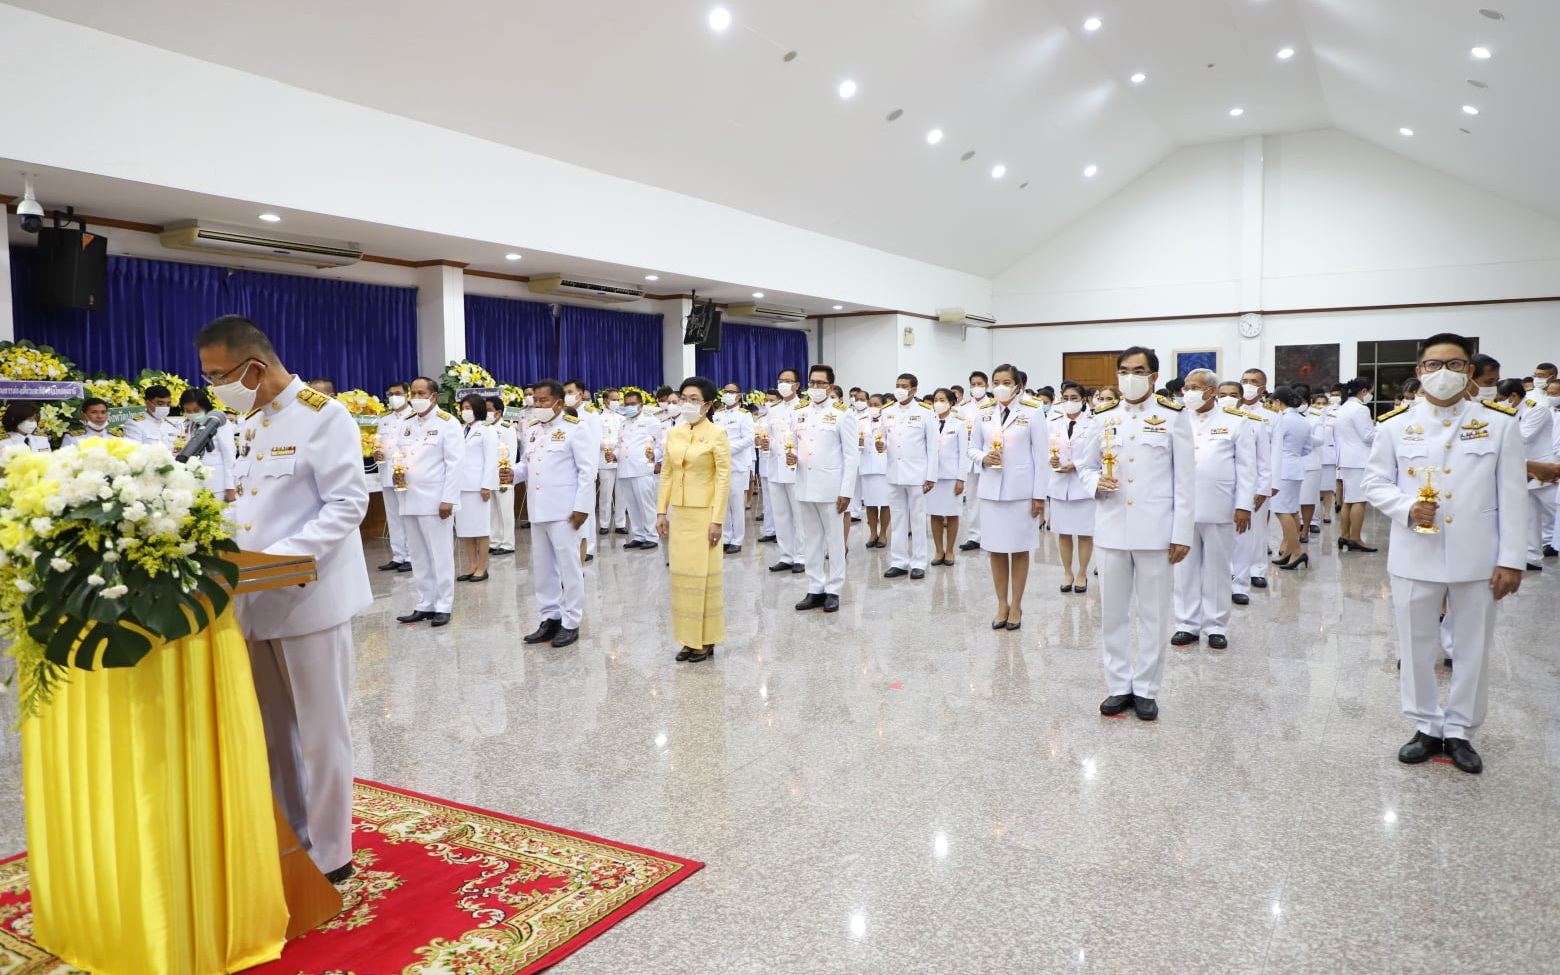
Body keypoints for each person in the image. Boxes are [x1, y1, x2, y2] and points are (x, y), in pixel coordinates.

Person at [194, 314, 370, 883]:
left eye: (218, 374)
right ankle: (291, 835)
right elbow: (250, 506)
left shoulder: (326, 417)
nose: (213, 385)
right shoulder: (249, 422)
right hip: (253, 599)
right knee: (273, 731)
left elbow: (347, 505)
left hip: (307, 598)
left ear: (254, 366)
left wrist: (280, 561)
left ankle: (332, 851)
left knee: (321, 731)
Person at [1363, 332, 1525, 774]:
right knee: (1415, 643)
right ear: (1419, 372)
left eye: (1454, 365)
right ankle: (1425, 725)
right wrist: (1406, 507)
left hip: (1478, 554)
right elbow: (1374, 483)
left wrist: (1511, 558)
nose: (1443, 373)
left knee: (1472, 645)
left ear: (1470, 372)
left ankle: (1460, 731)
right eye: (1433, 365)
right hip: (1416, 549)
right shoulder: (1395, 424)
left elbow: (1512, 496)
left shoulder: (1499, 422)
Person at [1078, 347, 1193, 722]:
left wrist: (1181, 532)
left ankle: (1145, 688)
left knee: (1153, 613)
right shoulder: (1103, 417)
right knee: (1112, 613)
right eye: (1124, 371)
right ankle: (1118, 685)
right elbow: (1084, 463)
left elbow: (1185, 482)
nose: (1130, 377)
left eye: (1139, 370)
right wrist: (1095, 480)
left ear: (1154, 376)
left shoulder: (1173, 417)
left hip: (1156, 530)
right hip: (1111, 526)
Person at [1171, 370, 1255, 650]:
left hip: (1220, 506)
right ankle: (1186, 623)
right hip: (1182, 507)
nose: (1188, 392)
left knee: (1218, 569)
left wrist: (1244, 505)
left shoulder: (1235, 422)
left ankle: (1216, 625)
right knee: (1184, 569)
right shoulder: (1177, 418)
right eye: (1186, 387)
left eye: (1194, 387)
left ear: (1211, 391)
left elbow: (1246, 469)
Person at [510, 379, 597, 648]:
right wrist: (510, 473)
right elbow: (528, 465)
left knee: (569, 569)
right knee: (544, 569)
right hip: (538, 510)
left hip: (565, 511)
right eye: (535, 400)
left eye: (543, 400)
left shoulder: (576, 429)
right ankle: (550, 617)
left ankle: (571, 622)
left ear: (559, 403)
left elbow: (587, 471)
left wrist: (582, 508)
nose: (537, 405)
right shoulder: (533, 430)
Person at [967, 364, 1048, 630]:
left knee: (1020, 549)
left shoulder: (1032, 411)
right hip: (991, 490)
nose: (1000, 386)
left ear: (1017, 385)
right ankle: (1001, 603)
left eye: (1006, 381)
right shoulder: (984, 413)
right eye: (996, 381)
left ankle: (1016, 604)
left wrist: (1039, 496)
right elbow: (972, 448)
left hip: (1021, 491)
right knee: (996, 550)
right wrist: (983, 458)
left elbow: (1040, 455)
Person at [656, 377, 731, 662]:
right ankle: (687, 639)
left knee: (703, 577)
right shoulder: (675, 433)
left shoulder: (716, 434)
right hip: (681, 512)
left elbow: (723, 479)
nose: (687, 403)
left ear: (708, 404)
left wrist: (717, 519)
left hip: (704, 514)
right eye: (684, 397)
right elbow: (667, 473)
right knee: (681, 578)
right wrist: (661, 511)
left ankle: (706, 640)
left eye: (694, 399)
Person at [394, 377, 463, 627]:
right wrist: (397, 472)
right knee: (419, 554)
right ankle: (425, 603)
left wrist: (449, 499)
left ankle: (444, 605)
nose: (416, 397)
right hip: (409, 496)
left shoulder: (448, 423)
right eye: (413, 393)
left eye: (421, 393)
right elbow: (399, 455)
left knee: (440, 554)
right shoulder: (406, 423)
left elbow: (455, 465)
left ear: (433, 396)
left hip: (436, 501)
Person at [792, 363, 860, 613]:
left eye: (821, 383)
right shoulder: (799, 412)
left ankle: (834, 589)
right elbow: (795, 446)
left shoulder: (843, 414)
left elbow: (851, 456)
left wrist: (846, 492)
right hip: (805, 484)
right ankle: (815, 587)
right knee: (810, 539)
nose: (816, 388)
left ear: (830, 386)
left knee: (834, 540)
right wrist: (792, 459)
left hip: (832, 487)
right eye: (812, 383)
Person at [881, 373, 938, 580]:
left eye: (904, 386)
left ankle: (918, 562)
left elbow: (932, 446)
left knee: (917, 519)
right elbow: (884, 439)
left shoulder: (924, 411)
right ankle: (899, 561)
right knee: (897, 520)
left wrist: (930, 475)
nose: (900, 389)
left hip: (917, 474)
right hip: (894, 473)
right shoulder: (887, 411)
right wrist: (882, 445)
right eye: (897, 385)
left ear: (914, 390)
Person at [1047, 381, 1097, 593]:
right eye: (1065, 398)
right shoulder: (1053, 422)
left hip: (1082, 485)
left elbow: (1096, 454)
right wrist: (1052, 460)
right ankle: (1067, 572)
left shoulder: (1093, 423)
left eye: (1074, 398)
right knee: (1064, 532)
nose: (1069, 402)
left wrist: (1075, 465)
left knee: (1085, 533)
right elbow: (1045, 449)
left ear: (1083, 400)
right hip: (1059, 484)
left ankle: (1082, 573)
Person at [758, 368, 806, 574]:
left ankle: (802, 556)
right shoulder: (774, 409)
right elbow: (766, 433)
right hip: (775, 468)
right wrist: (762, 441)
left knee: (800, 515)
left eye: (788, 381)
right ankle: (786, 556)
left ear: (797, 385)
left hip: (796, 469)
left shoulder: (804, 408)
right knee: (781, 514)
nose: (783, 384)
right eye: (780, 380)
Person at [1269, 385, 1316, 570]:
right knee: (1292, 510)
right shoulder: (1303, 420)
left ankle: (1296, 551)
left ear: (1278, 402)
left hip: (1282, 468)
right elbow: (1307, 448)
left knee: (1282, 511)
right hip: (1296, 466)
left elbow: (1273, 444)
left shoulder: (1282, 419)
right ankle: (1289, 550)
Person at [454, 393, 498, 582]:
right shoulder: (461, 429)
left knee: (480, 529)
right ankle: (471, 565)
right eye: (463, 408)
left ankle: (482, 566)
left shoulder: (487, 430)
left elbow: (490, 459)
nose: (465, 412)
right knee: (465, 530)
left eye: (469, 408)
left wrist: (486, 485)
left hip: (478, 487)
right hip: (461, 486)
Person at [373, 382, 415, 572]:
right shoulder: (384, 419)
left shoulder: (414, 417)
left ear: (407, 395)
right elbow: (379, 443)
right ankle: (398, 555)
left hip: (406, 473)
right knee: (393, 516)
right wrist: (376, 453)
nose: (393, 397)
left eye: (397, 393)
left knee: (407, 515)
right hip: (386, 471)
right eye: (390, 394)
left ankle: (412, 556)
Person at [1334, 376, 1378, 552]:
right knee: (1359, 500)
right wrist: (1382, 431)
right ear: (1364, 391)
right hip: (1359, 460)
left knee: (1348, 500)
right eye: (1371, 392)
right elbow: (1367, 437)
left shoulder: (1344, 407)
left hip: (1346, 458)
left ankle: (1345, 535)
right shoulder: (1360, 410)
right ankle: (1356, 537)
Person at [926, 388, 969, 566]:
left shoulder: (959, 423)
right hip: (933, 476)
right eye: (936, 399)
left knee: (952, 514)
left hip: (951, 476)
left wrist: (961, 479)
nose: (938, 402)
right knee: (935, 514)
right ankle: (938, 550)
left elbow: (963, 453)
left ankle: (950, 550)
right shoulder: (928, 421)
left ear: (951, 402)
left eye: (942, 399)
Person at [618, 390, 664, 551]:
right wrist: (614, 456)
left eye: (632, 404)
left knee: (646, 504)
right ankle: (638, 535)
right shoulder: (623, 423)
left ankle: (652, 535)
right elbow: (621, 446)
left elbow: (661, 445)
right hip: (625, 468)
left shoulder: (651, 421)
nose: (629, 407)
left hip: (642, 467)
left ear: (641, 405)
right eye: (627, 404)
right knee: (632, 505)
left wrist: (655, 457)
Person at [563, 379, 604, 562]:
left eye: (570, 392)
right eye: (565, 392)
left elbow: (594, 444)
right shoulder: (562, 413)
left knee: (586, 507)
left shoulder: (590, 414)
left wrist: (592, 470)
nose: (567, 395)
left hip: (586, 467)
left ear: (580, 394)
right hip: (569, 469)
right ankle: (575, 544)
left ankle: (589, 547)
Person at [713, 381, 755, 554]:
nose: (728, 394)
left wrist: (727, 449)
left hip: (737, 465)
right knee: (723, 503)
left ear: (739, 395)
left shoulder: (744, 415)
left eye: (732, 391)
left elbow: (748, 439)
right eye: (726, 391)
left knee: (736, 503)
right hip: (719, 465)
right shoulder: (717, 414)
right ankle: (727, 536)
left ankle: (737, 539)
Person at [178, 388, 237, 503]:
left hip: (217, 484)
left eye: (196, 410)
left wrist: (230, 486)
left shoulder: (219, 423)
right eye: (188, 411)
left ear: (205, 407)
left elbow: (229, 456)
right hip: (194, 484)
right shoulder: (187, 426)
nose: (193, 414)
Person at [958, 371, 991, 551]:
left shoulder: (992, 406)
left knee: (987, 498)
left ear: (986, 386)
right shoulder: (964, 408)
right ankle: (974, 536)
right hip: (969, 458)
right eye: (973, 384)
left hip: (986, 457)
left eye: (980, 384)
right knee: (971, 499)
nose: (976, 387)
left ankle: (989, 535)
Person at [486, 396, 520, 555]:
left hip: (503, 475)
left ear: (498, 412)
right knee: (492, 511)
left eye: (489, 410)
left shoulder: (507, 429)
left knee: (505, 511)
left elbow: (511, 454)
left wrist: (507, 477)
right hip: (488, 476)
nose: (486, 413)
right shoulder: (484, 428)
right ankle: (495, 540)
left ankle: (507, 543)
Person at [858, 393, 891, 548]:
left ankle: (883, 533)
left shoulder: (889, 421)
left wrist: (885, 445)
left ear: (883, 405)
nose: (873, 407)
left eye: (876, 404)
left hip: (883, 466)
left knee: (885, 503)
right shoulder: (861, 421)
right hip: (866, 465)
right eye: (870, 404)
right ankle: (873, 533)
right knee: (870, 503)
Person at [596, 389, 626, 544]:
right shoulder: (599, 418)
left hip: (621, 459)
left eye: (618, 399)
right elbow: (597, 440)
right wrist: (615, 444)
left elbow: (626, 438)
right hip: (605, 460)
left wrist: (620, 446)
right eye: (613, 399)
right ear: (605, 400)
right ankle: (604, 523)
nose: (616, 402)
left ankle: (620, 523)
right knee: (606, 494)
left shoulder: (622, 418)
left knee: (622, 493)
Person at [122, 383, 181, 449]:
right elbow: (134, 452)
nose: (165, 407)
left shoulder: (170, 425)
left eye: (168, 404)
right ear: (147, 403)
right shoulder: (134, 424)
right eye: (160, 404)